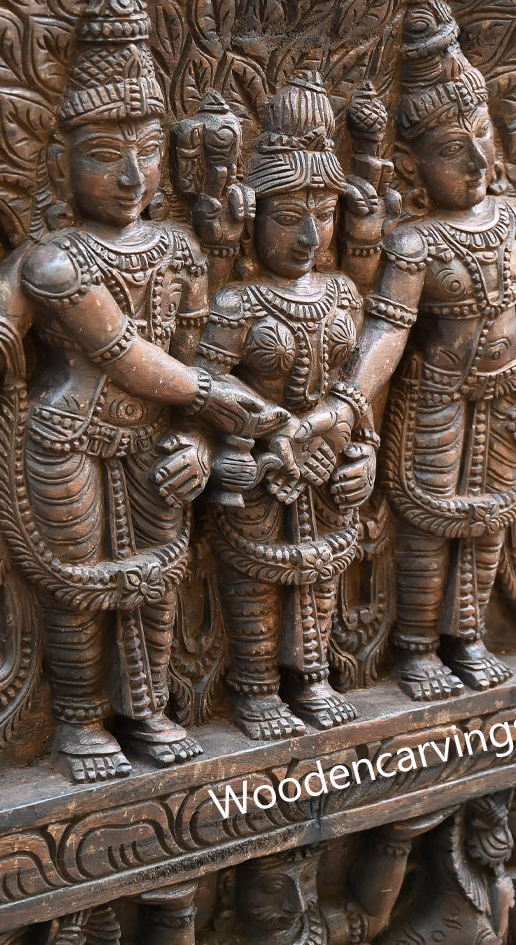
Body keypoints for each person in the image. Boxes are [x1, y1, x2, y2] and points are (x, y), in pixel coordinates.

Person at [0, 0, 286, 782]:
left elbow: (199, 361)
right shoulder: (49, 260)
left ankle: (146, 709)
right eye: (107, 156)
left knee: (158, 583)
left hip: (161, 438)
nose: (134, 178)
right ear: (61, 166)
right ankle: (77, 723)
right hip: (64, 440)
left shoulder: (179, 251)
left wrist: (201, 442)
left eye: (145, 152)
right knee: (81, 589)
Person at [344, 0, 516, 701]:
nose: (474, 158)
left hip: (509, 391)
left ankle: (466, 634)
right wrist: (348, 402)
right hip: (435, 397)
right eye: (448, 148)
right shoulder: (413, 243)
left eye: (482, 134)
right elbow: (387, 332)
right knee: (428, 524)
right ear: (411, 167)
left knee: (491, 518)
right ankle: (416, 647)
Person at [198, 73, 376, 739]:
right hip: (261, 468)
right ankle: (256, 688)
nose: (309, 234)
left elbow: (362, 388)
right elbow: (205, 380)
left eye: (324, 214)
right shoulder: (238, 303)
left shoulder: (342, 294)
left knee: (323, 572)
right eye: (287, 216)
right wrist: (255, 431)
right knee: (256, 581)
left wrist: (363, 449)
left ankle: (312, 677)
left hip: (326, 463)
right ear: (254, 218)